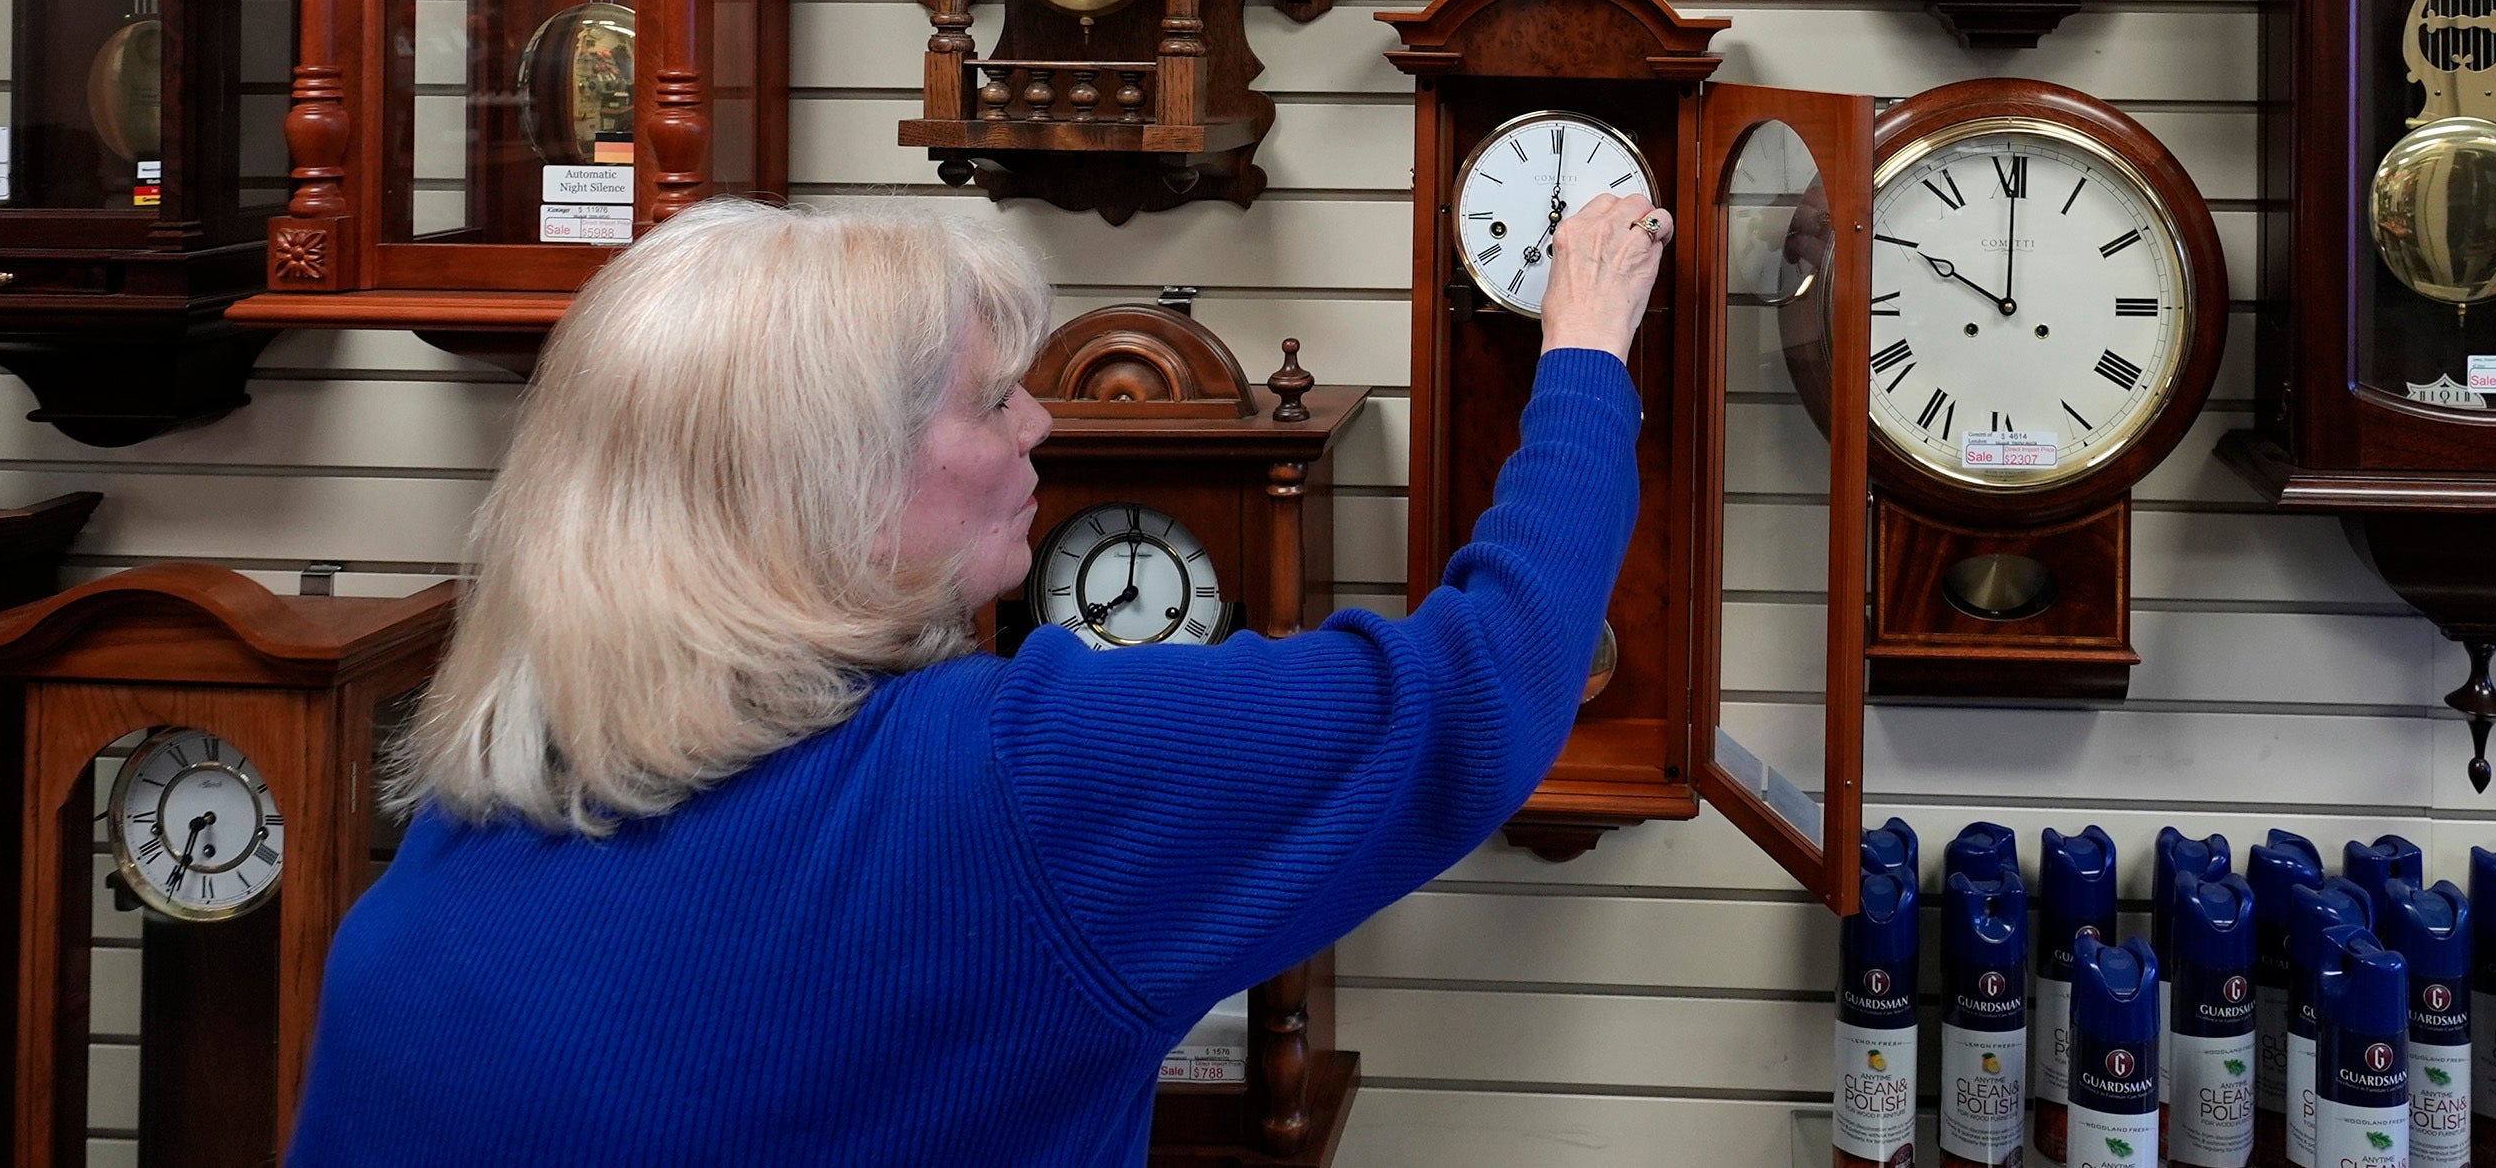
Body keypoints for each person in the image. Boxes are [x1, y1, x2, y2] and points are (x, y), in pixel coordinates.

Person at [283, 188, 1668, 1166]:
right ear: (837, 481)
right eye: (990, 397)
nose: (1043, 418)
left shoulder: (440, 860)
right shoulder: (1010, 789)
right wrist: (1588, 351)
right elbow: (1487, 682)